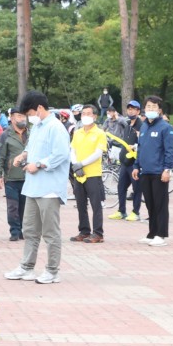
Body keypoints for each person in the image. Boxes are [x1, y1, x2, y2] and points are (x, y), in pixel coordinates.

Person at [4, 91, 71, 284]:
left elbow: (61, 155)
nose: (28, 117)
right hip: (32, 186)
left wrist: (39, 164)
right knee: (30, 229)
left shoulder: (56, 128)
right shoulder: (38, 126)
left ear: (40, 108)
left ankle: (52, 270)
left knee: (50, 232)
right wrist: (23, 156)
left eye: (30, 112)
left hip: (49, 188)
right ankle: (26, 267)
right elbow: (31, 147)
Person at [133, 96, 173, 246]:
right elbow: (140, 149)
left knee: (160, 204)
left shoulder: (165, 128)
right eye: (148, 106)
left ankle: (161, 234)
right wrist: (136, 166)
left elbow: (169, 151)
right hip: (146, 171)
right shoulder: (144, 127)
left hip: (159, 172)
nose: (150, 109)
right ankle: (152, 233)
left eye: (154, 107)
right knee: (150, 204)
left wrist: (167, 169)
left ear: (159, 110)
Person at [69, 104, 108, 244]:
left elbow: (98, 153)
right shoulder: (78, 132)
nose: (85, 116)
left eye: (89, 113)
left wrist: (82, 164)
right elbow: (72, 149)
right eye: (83, 113)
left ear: (95, 116)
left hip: (92, 174)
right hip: (79, 174)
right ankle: (84, 230)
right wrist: (75, 165)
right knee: (80, 204)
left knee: (96, 204)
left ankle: (98, 233)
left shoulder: (99, 133)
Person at [0, 108, 28, 241]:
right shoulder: (6, 135)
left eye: (24, 116)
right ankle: (14, 231)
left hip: (28, 177)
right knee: (13, 206)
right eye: (19, 116)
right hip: (11, 177)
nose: (22, 119)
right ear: (12, 118)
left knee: (25, 207)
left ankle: (22, 230)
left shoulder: (31, 133)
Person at [110, 100, 144, 221]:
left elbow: (143, 144)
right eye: (129, 108)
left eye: (133, 109)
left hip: (134, 162)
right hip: (124, 162)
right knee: (121, 187)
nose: (131, 110)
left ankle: (136, 212)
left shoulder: (142, 126)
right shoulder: (128, 124)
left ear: (138, 111)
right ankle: (121, 211)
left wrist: (135, 147)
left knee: (137, 188)